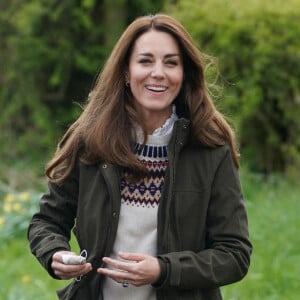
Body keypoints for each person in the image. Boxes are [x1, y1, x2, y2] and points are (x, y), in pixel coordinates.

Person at [28, 13, 252, 300]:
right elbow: (46, 221)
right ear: (125, 71)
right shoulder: (89, 139)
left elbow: (234, 255)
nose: (158, 72)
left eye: (171, 62)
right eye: (145, 61)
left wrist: (163, 270)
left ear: (183, 75)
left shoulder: (211, 148)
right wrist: (54, 252)